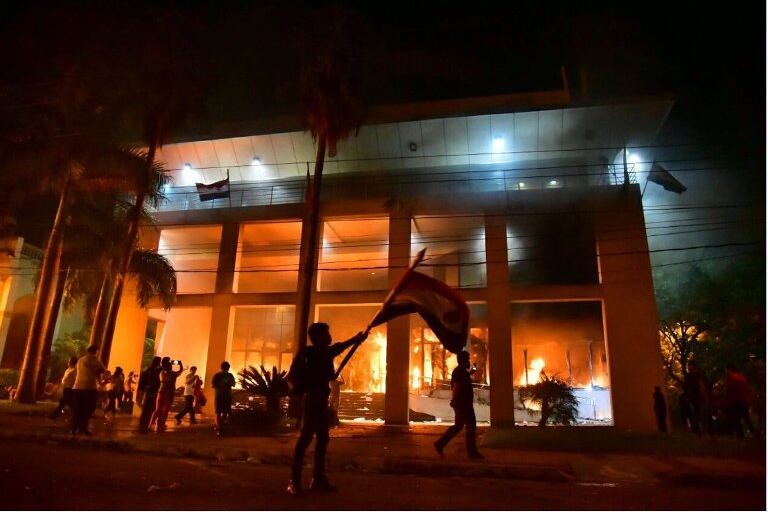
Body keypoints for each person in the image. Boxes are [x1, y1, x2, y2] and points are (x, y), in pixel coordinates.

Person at [287, 323, 367, 495]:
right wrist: (356, 339)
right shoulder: (313, 352)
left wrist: (356, 340)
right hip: (312, 401)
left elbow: (334, 351)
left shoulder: (318, 353)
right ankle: (294, 481)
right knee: (306, 439)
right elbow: (336, 349)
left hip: (320, 401)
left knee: (322, 439)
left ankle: (318, 479)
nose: (329, 336)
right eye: (326, 333)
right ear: (319, 336)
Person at [434, 351, 483, 459]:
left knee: (458, 426)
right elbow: (457, 386)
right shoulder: (459, 371)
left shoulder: (462, 371)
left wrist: (473, 369)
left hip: (462, 403)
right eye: (467, 359)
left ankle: (440, 444)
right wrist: (454, 400)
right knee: (471, 426)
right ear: (463, 360)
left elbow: (468, 375)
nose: (469, 361)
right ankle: (472, 452)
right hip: (463, 404)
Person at [71, 345, 106, 435]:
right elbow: (102, 370)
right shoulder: (94, 360)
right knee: (89, 408)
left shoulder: (80, 360)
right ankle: (83, 427)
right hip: (89, 388)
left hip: (77, 387)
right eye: (97, 351)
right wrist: (101, 383)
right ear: (96, 351)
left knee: (78, 409)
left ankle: (74, 428)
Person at [723, 363, 757, 438]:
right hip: (744, 399)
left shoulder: (731, 377)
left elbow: (729, 390)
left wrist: (725, 397)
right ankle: (755, 434)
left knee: (736, 419)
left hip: (735, 400)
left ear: (728, 369)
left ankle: (740, 436)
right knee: (746, 418)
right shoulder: (741, 376)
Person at [151, 358, 183, 432]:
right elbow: (180, 371)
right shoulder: (173, 374)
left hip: (161, 392)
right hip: (169, 392)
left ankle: (151, 424)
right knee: (165, 410)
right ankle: (161, 424)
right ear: (171, 367)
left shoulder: (161, 373)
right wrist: (180, 363)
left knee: (157, 409)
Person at [683, 361, 711, 436]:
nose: (688, 367)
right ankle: (700, 430)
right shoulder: (697, 375)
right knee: (699, 414)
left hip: (696, 398)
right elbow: (701, 386)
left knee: (697, 414)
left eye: (689, 366)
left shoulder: (690, 376)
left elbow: (700, 386)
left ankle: (698, 430)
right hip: (696, 398)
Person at [137, 357, 162, 434]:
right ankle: (144, 427)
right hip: (152, 392)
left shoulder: (147, 371)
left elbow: (141, 384)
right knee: (149, 410)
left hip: (147, 392)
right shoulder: (155, 371)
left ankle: (142, 426)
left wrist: (140, 395)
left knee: (146, 410)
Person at [212, 361, 236, 435]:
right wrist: (227, 383)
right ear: (228, 368)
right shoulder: (230, 375)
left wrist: (220, 385)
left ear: (221, 367)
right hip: (227, 396)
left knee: (218, 412)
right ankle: (222, 425)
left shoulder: (217, 375)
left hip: (219, 396)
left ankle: (219, 427)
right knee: (226, 412)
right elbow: (234, 384)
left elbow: (213, 384)